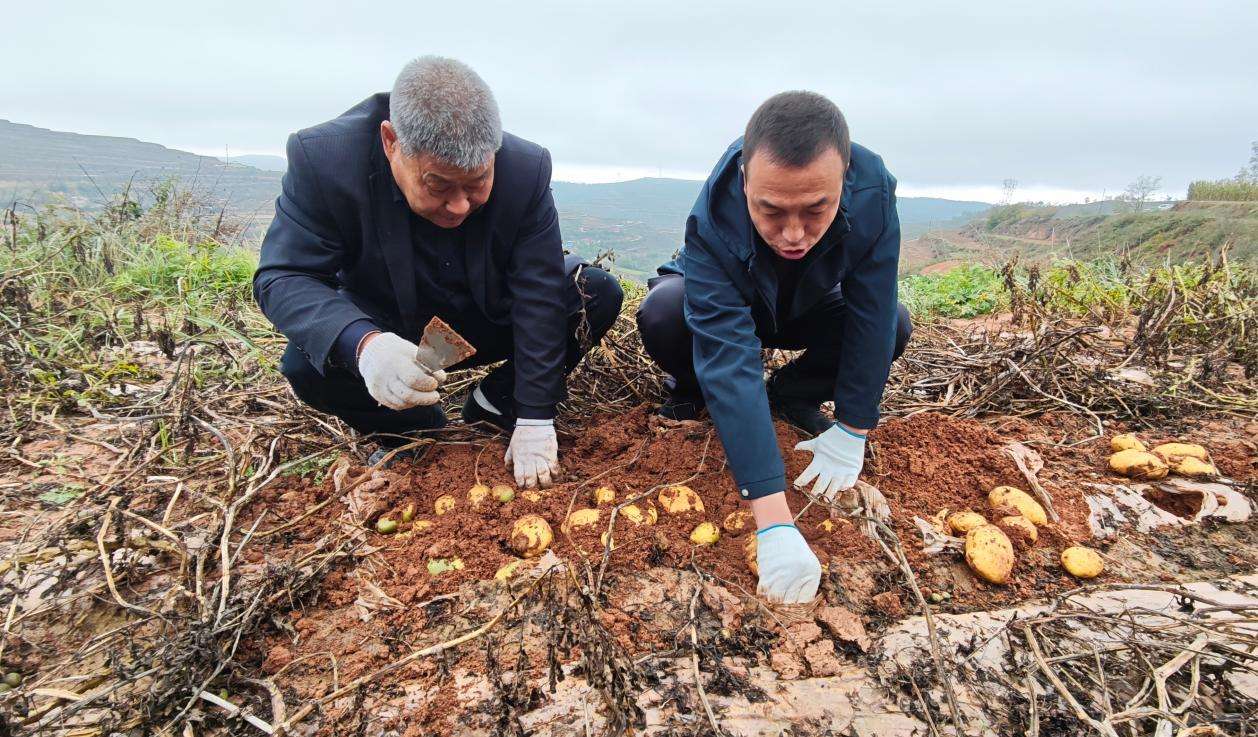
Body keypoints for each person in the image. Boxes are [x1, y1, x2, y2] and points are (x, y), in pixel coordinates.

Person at [254, 56, 623, 488]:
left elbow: (538, 292)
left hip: (487, 319)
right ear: (391, 142)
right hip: (394, 333)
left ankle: (494, 402)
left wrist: (535, 415)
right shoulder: (325, 161)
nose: (460, 205)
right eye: (439, 185)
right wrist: (366, 345)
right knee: (306, 364)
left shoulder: (526, 169)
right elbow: (284, 276)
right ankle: (415, 428)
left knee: (592, 293)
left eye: (477, 182)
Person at [636, 91, 911, 603]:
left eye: (816, 210)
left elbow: (872, 311)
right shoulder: (714, 215)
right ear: (745, 181)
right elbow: (727, 352)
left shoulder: (874, 192)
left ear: (845, 178)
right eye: (772, 211)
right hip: (733, 306)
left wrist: (854, 427)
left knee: (893, 324)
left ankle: (789, 395)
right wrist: (774, 520)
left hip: (811, 302)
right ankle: (693, 391)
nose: (793, 234)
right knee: (665, 311)